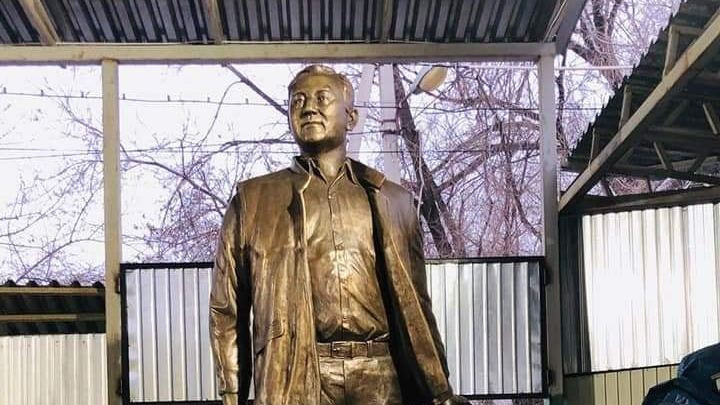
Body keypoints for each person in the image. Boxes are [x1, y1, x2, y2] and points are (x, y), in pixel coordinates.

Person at [210, 64, 467, 405]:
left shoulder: (393, 201)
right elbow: (226, 309)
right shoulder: (254, 201)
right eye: (298, 101)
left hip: (380, 375)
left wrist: (439, 388)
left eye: (322, 98)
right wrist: (232, 393)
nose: (308, 108)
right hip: (296, 374)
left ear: (351, 117)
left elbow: (418, 305)